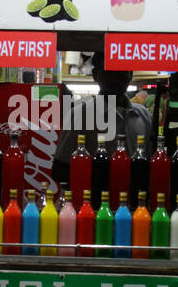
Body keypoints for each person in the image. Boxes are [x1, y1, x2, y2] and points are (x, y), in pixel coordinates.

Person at [53, 51, 154, 188]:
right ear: (96, 75)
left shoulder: (144, 115)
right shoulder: (81, 114)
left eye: (120, 70)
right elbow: (60, 170)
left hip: (136, 203)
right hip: (97, 203)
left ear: (130, 74)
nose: (115, 77)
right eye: (108, 71)